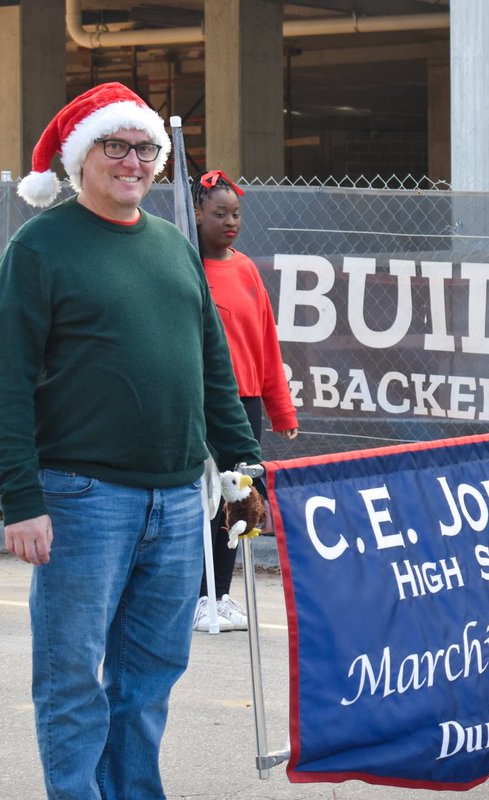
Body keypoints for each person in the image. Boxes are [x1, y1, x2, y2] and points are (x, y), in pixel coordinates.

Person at [0, 82, 262, 799]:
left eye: (144, 149)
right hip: (80, 499)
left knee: (148, 680)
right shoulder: (39, 247)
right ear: (82, 159)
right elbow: (5, 382)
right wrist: (20, 498)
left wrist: (244, 472)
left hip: (175, 501)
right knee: (72, 680)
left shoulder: (173, 246)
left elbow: (212, 370)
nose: (132, 161)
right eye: (115, 146)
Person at [190, 170, 298, 633]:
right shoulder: (185, 265)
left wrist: (281, 409)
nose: (230, 222)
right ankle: (195, 596)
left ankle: (222, 594)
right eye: (219, 213)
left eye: (235, 213)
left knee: (238, 501)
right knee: (200, 500)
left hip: (245, 403)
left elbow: (265, 343)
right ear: (196, 214)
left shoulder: (248, 269)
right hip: (197, 400)